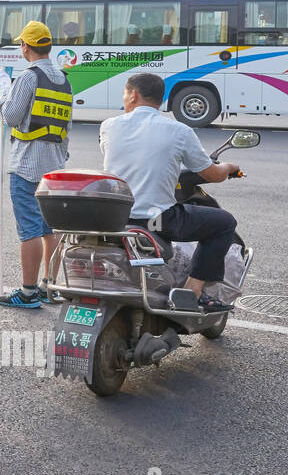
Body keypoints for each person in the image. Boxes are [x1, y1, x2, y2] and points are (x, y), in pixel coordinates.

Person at [99, 73, 240, 312]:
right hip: (157, 220)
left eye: (124, 94)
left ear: (133, 95)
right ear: (160, 98)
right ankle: (193, 292)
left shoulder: (109, 126)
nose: (124, 99)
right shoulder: (179, 131)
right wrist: (229, 167)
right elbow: (213, 174)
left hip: (116, 216)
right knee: (225, 222)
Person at [0, 21, 72, 309]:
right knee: (50, 229)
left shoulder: (28, 77)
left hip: (26, 164)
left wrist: (3, 89)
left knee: (29, 231)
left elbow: (12, 117)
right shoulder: (64, 80)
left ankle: (27, 293)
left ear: (25, 47)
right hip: (54, 167)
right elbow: (67, 125)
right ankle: (48, 286)